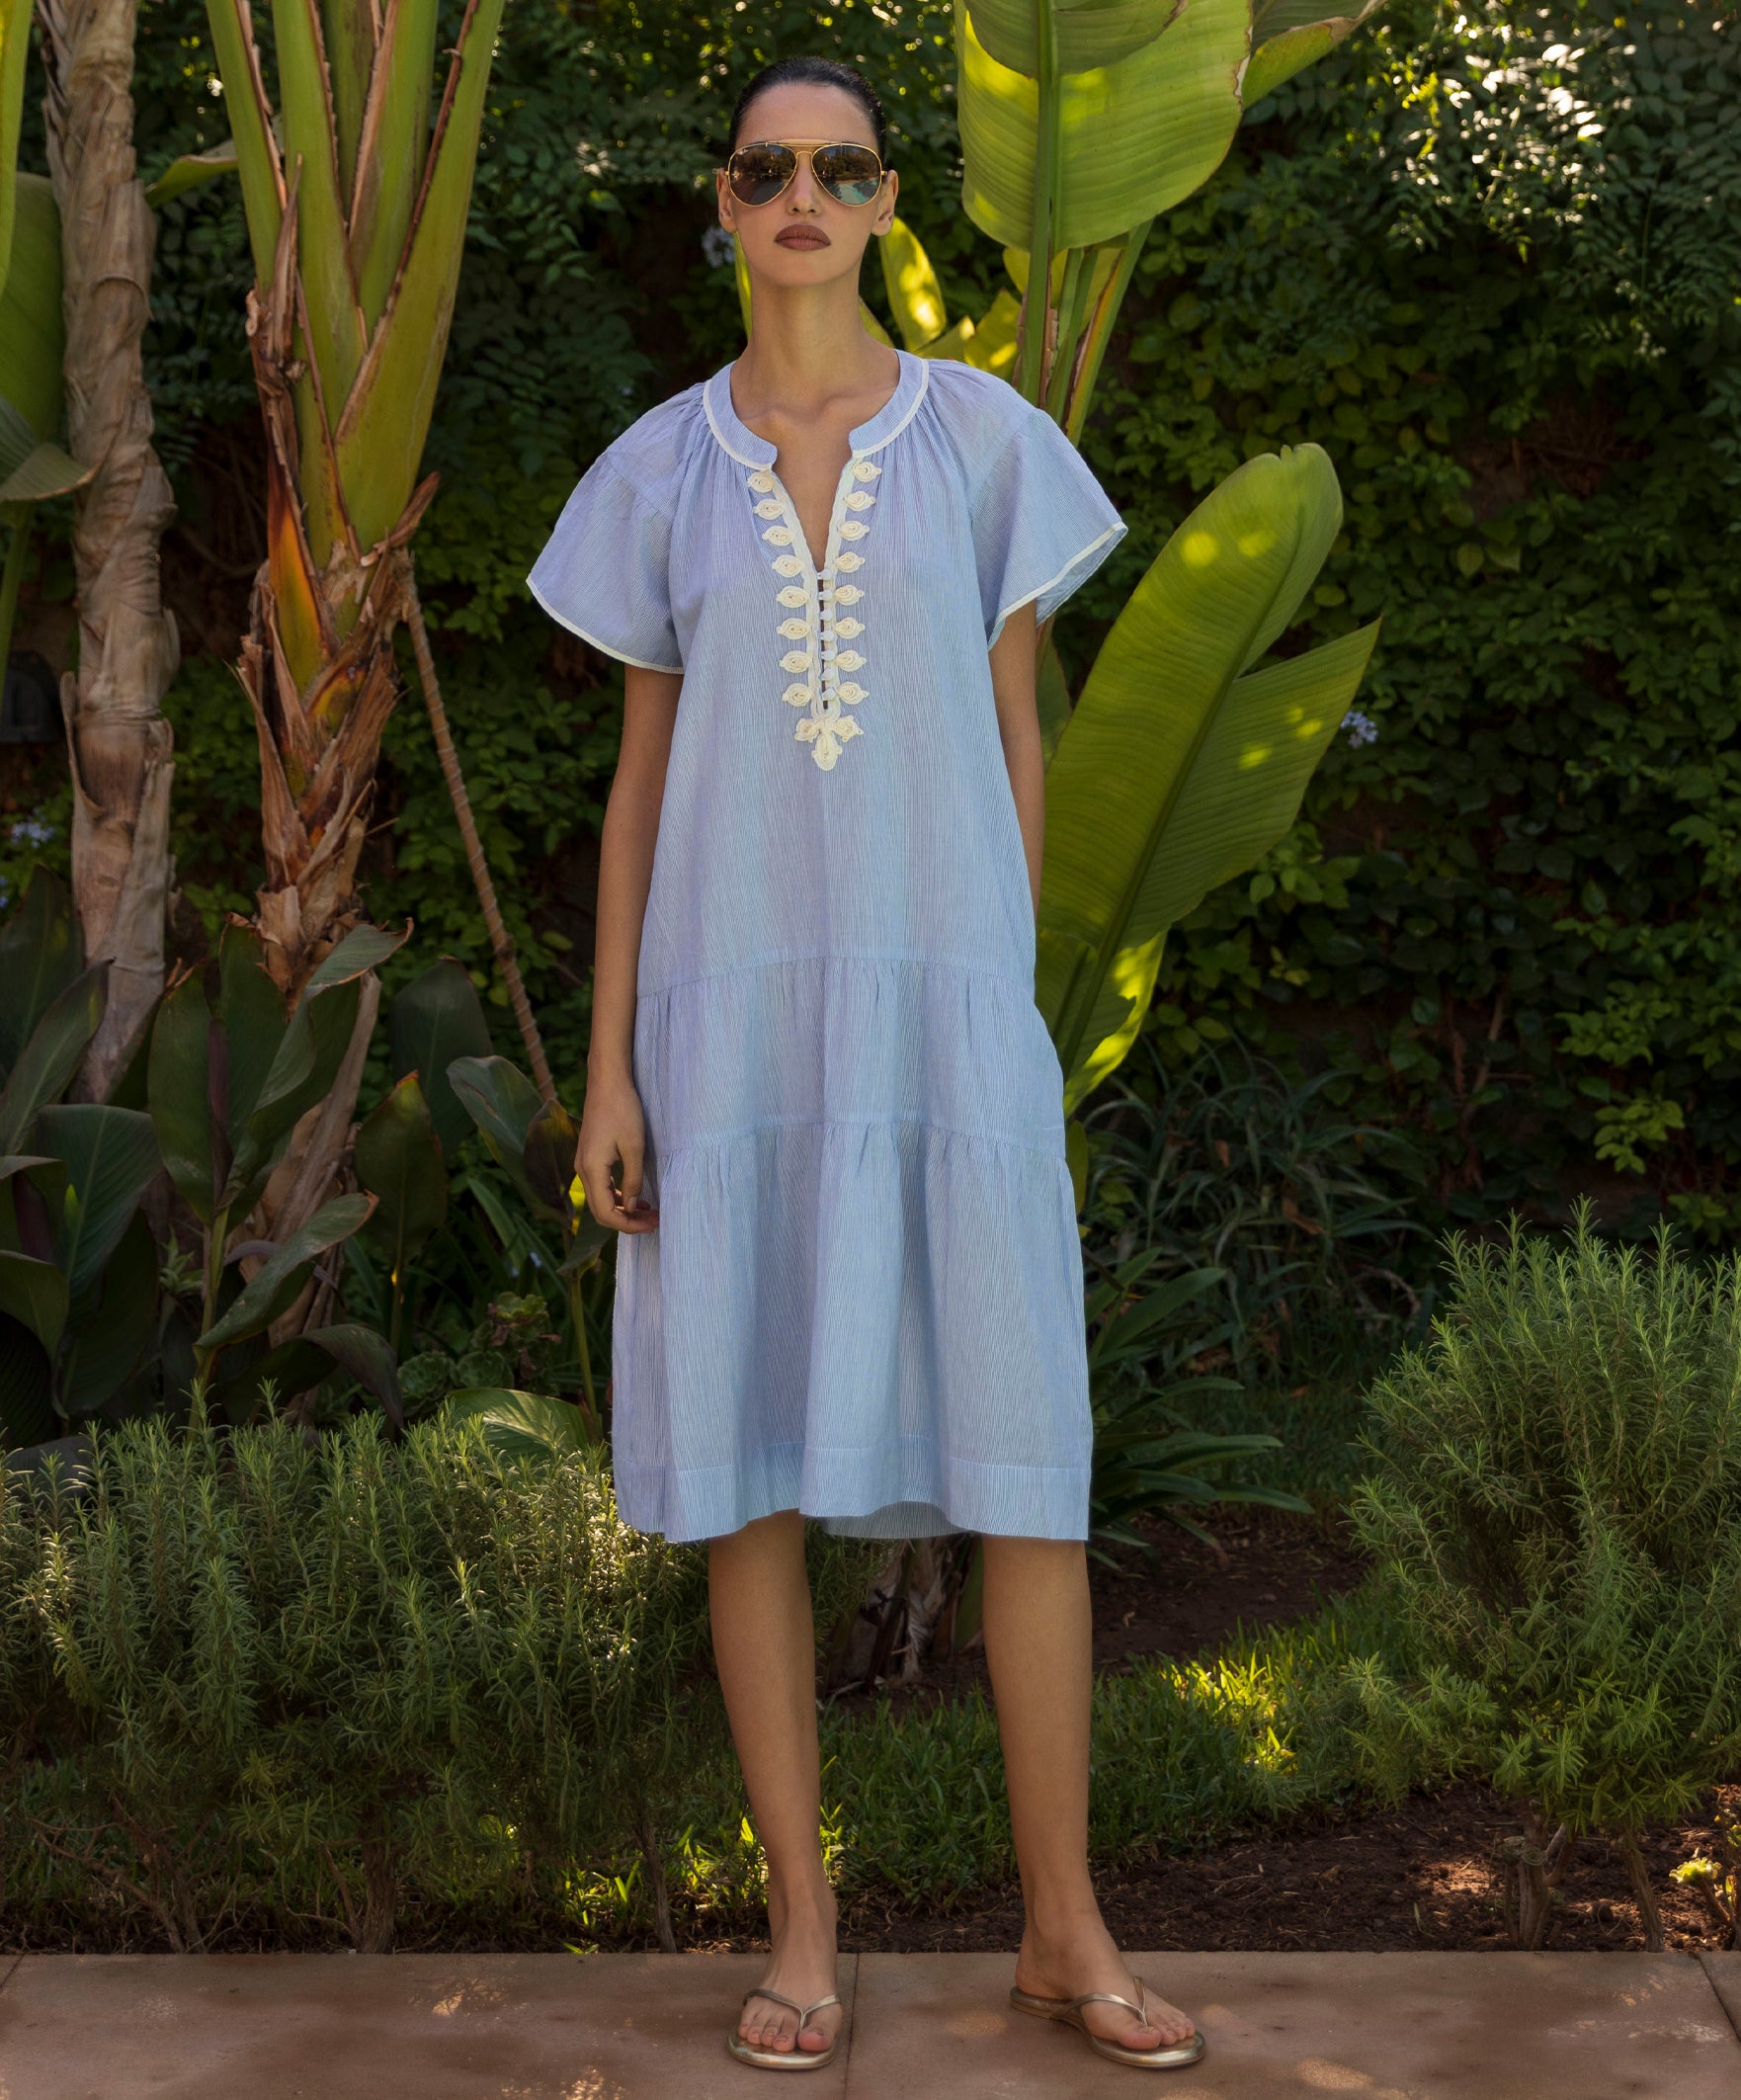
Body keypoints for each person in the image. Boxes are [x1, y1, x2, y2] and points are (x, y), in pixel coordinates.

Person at [525, 52, 1203, 2076]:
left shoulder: (981, 440)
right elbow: (640, 790)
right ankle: (802, 1936)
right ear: (719, 209)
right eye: (763, 167)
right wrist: (610, 1071)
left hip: (942, 1015)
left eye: (837, 166)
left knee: (1024, 1477)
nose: (800, 193)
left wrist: (1001, 990)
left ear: (889, 202)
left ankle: (1061, 1929)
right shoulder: (655, 472)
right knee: (742, 1479)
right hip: (723, 1026)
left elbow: (1015, 737)